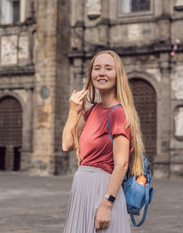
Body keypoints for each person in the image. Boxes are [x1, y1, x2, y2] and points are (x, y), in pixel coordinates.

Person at [62, 50, 145, 232]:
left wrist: (107, 204)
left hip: (102, 189)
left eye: (108, 68)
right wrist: (73, 111)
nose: (101, 73)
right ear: (91, 74)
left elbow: (121, 164)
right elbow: (67, 145)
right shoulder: (91, 112)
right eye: (97, 68)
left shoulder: (118, 112)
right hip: (81, 189)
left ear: (118, 75)